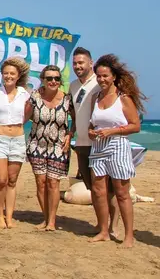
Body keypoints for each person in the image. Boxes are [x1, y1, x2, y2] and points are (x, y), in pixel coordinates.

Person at [88, 54, 146, 248]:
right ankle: (104, 231)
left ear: (113, 76)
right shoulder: (95, 98)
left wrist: (112, 131)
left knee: (122, 192)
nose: (102, 79)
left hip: (118, 145)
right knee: (98, 191)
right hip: (98, 146)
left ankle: (128, 236)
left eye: (105, 76)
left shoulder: (123, 98)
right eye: (98, 76)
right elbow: (92, 123)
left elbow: (135, 126)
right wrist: (91, 131)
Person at [70, 46, 115, 229]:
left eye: (81, 62)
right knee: (93, 189)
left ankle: (113, 226)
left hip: (100, 144)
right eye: (74, 63)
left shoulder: (100, 83)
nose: (77, 66)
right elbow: (75, 113)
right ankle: (101, 224)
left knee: (109, 189)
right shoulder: (73, 86)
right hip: (81, 144)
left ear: (91, 62)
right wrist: (71, 132)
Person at [26, 65, 74, 231]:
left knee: (53, 183)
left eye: (56, 78)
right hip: (36, 144)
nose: (53, 81)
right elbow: (24, 117)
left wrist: (71, 134)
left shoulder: (68, 99)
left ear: (60, 81)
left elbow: (76, 120)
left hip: (58, 146)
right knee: (41, 183)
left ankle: (52, 221)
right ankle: (45, 218)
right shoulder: (35, 97)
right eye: (49, 78)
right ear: (42, 80)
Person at [0, 57, 30, 228]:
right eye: (5, 73)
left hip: (18, 139)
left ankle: (9, 216)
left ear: (18, 76)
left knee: (12, 180)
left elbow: (28, 114)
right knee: (1, 180)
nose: (8, 76)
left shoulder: (25, 94)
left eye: (12, 73)